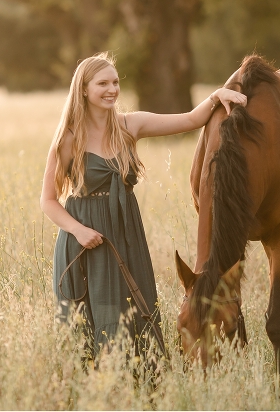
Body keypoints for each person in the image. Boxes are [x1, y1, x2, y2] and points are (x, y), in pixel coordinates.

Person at [40, 52, 246, 361]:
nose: (112, 89)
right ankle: (93, 394)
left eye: (115, 82)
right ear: (83, 89)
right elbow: (48, 200)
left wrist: (216, 95)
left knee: (135, 310)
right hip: (85, 240)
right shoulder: (68, 139)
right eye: (102, 84)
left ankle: (140, 388)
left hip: (125, 235)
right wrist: (78, 230)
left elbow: (191, 119)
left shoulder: (129, 126)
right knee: (92, 319)